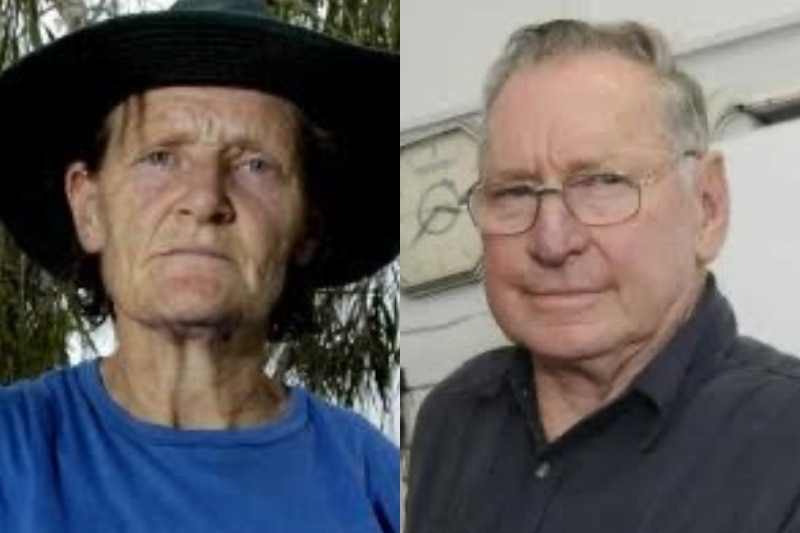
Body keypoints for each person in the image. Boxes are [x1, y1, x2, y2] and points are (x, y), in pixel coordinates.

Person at [0, 0, 398, 531]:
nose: (205, 199)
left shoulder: (377, 484)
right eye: (160, 157)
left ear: (308, 228)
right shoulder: (14, 453)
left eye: (256, 165)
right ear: (89, 208)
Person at [405, 19, 800, 533]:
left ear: (707, 207)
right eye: (515, 192)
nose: (552, 240)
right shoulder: (453, 419)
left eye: (601, 184)